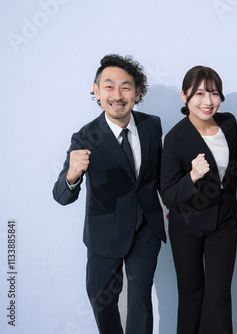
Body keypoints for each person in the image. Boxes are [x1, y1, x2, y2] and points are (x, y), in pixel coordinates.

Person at [53, 54, 166, 334]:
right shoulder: (85, 137)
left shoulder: (152, 125)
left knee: (141, 300)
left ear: (137, 93)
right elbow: (61, 196)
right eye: (109, 86)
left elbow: (159, 174)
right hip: (105, 233)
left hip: (145, 230)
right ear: (96, 91)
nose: (117, 95)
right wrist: (72, 174)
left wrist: (177, 202)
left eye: (126, 87)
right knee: (102, 302)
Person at [160, 66, 237, 334]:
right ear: (185, 96)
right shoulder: (175, 139)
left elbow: (233, 168)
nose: (207, 101)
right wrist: (192, 176)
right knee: (192, 295)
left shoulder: (229, 123)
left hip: (224, 223)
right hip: (187, 226)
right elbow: (169, 195)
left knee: (218, 295)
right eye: (199, 93)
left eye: (214, 93)